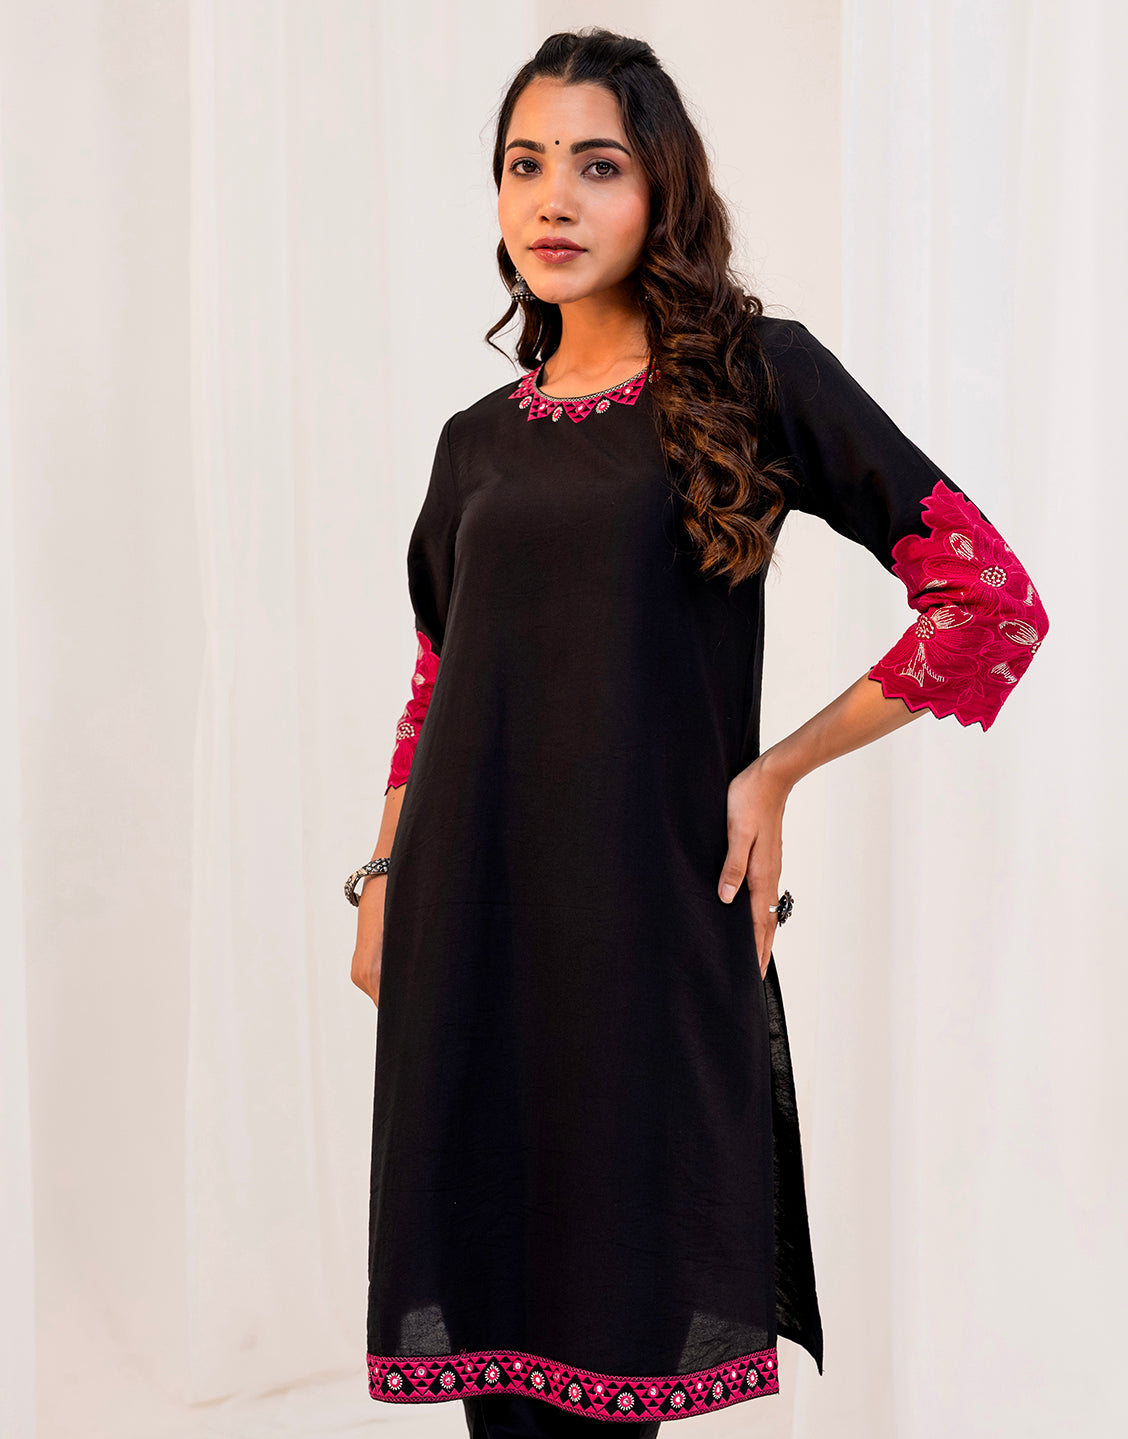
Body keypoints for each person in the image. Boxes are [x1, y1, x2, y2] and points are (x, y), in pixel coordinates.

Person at [347, 27, 1049, 1437]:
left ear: (661, 188)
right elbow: (438, 672)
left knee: (612, 1350)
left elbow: (988, 601)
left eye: (596, 166)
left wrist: (776, 772)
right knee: (496, 1362)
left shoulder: (755, 377)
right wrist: (382, 876)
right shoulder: (473, 441)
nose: (553, 199)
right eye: (524, 166)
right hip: (467, 930)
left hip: (642, 934)